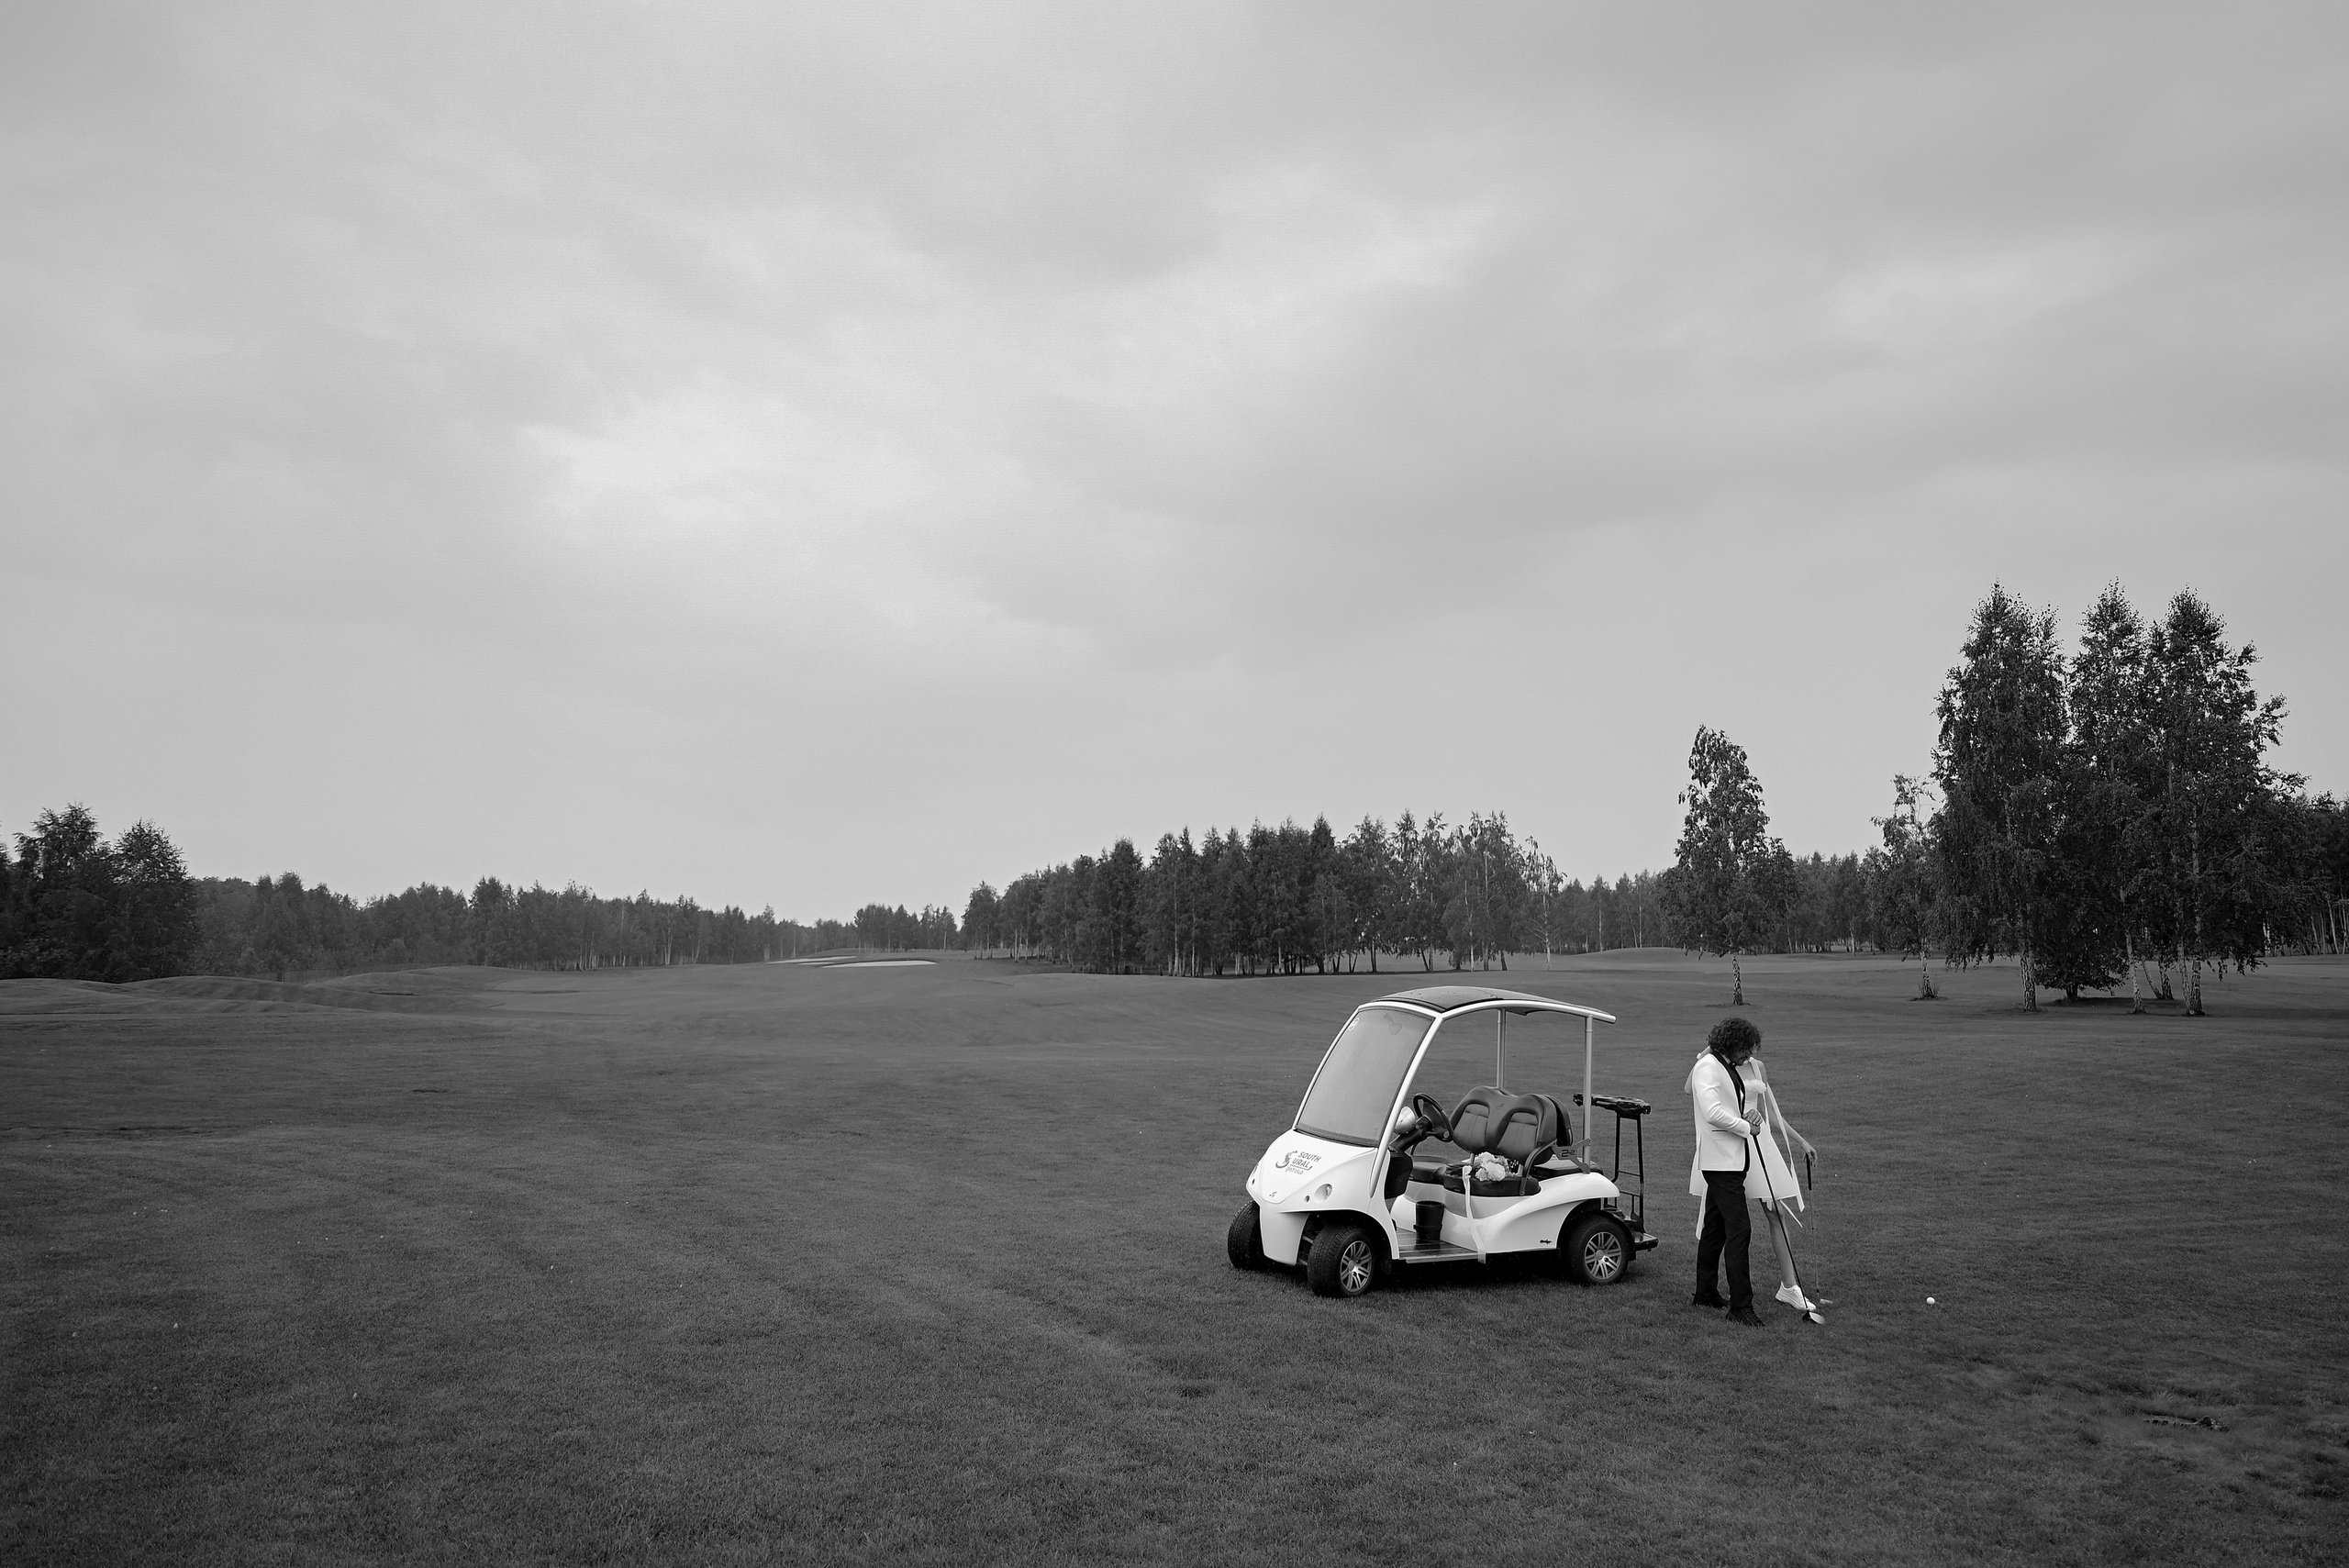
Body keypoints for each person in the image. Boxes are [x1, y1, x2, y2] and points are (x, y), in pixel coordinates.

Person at [1686, 1015, 1766, 1327]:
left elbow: (1726, 1107)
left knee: (1715, 1228)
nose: (1748, 1056)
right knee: (1740, 1230)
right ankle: (1741, 1306)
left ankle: (1705, 1294)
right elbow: (1712, 1113)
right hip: (1719, 1163)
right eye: (1744, 1049)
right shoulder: (1707, 1067)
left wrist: (1746, 1115)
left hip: (1729, 1159)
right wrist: (1746, 1127)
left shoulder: (1723, 1066)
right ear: (1730, 1044)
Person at [1741, 1049, 1820, 1314]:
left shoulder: (1758, 1067)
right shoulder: (1716, 1064)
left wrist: (1801, 1141)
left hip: (1760, 1143)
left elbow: (1771, 1114)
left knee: (1777, 1211)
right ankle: (1710, 1287)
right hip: (1730, 1142)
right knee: (1722, 1218)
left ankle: (1788, 1287)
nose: (1750, 1053)